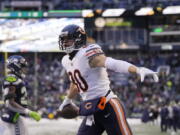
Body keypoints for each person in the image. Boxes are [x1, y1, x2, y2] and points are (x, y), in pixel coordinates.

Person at [58, 24, 159, 135]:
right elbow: (76, 83)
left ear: (79, 39)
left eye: (68, 40)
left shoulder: (87, 54)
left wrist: (137, 69)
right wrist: (67, 100)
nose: (64, 43)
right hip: (91, 110)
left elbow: (112, 63)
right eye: (63, 40)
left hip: (108, 106)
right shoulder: (66, 61)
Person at [0, 55, 41, 135]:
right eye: (23, 66)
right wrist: (29, 112)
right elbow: (10, 103)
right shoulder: (12, 78)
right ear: (16, 66)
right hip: (13, 117)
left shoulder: (16, 79)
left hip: (16, 116)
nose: (25, 69)